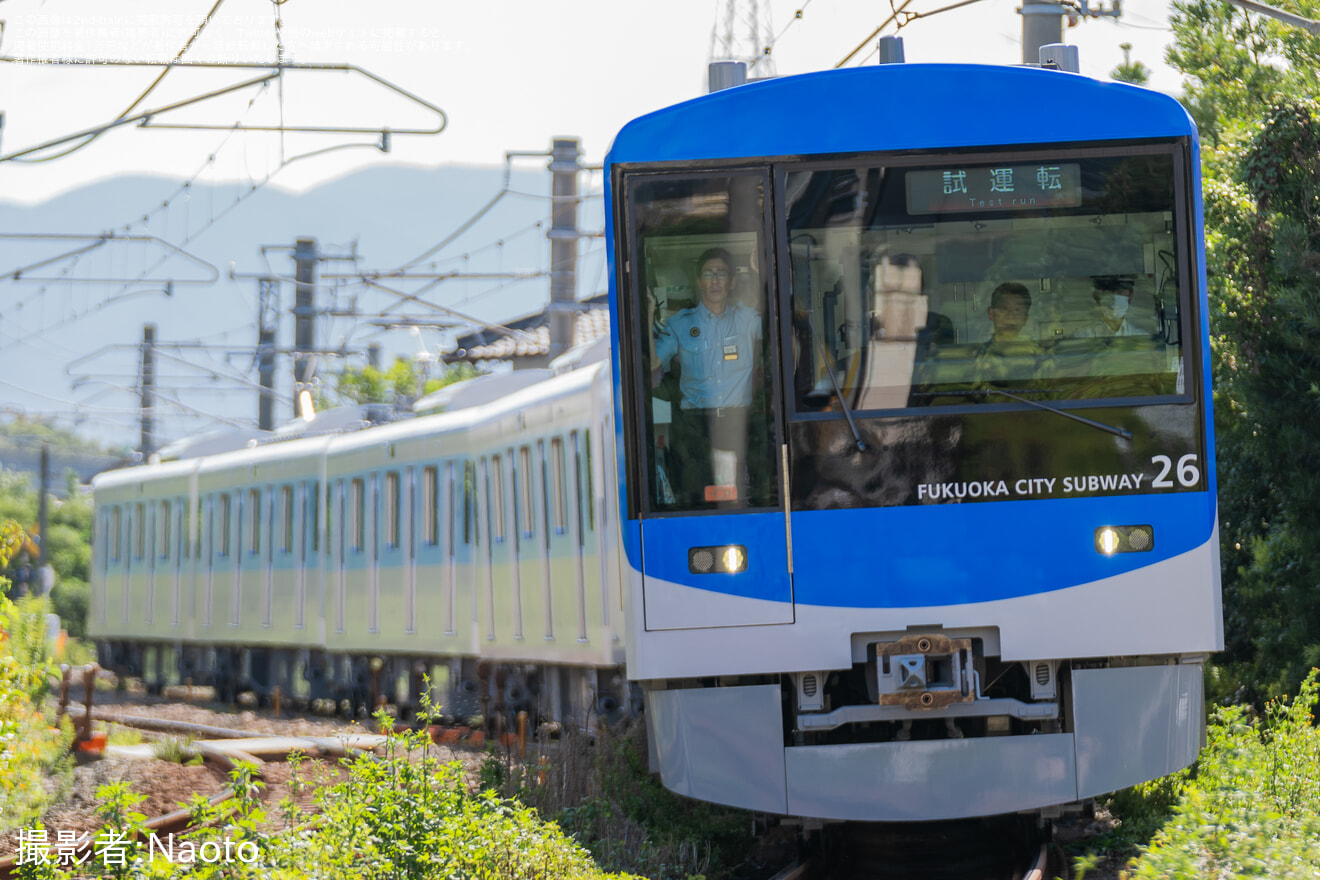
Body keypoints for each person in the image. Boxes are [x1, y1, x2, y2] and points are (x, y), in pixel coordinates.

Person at [651, 247, 765, 506]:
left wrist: (764, 277)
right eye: (708, 274)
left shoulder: (747, 320)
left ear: (732, 282)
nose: (714, 280)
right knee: (697, 503)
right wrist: (648, 314)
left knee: (746, 502)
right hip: (695, 428)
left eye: (721, 274)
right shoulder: (680, 324)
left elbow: (779, 337)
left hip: (739, 425)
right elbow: (655, 362)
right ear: (699, 281)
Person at [974, 282, 1047, 394]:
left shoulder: (1040, 356)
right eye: (1003, 308)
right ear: (991, 313)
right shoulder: (976, 356)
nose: (1011, 316)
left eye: (1017, 310)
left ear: (1025, 318)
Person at [1073, 275, 1144, 337]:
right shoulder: (1081, 335)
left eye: (1120, 291)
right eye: (1108, 292)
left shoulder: (1142, 336)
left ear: (1130, 296)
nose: (1114, 298)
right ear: (1096, 296)